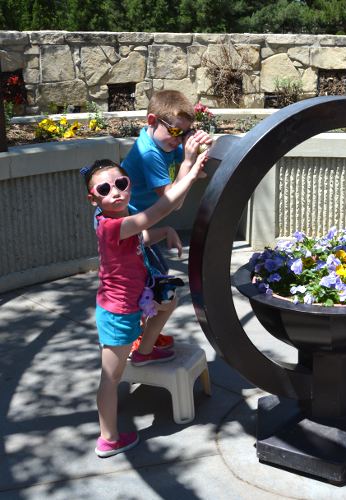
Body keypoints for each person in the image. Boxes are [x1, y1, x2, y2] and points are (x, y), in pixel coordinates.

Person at [83, 153, 207, 458]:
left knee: (169, 300)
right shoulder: (111, 226)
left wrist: (164, 233)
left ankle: (146, 351)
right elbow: (160, 210)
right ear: (93, 199)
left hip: (138, 298)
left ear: (128, 184)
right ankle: (109, 438)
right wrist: (189, 177)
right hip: (118, 313)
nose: (115, 192)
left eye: (121, 184)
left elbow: (140, 236)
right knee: (110, 379)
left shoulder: (116, 221)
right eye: (104, 189)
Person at [121, 90, 212, 351]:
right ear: (152, 121)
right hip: (131, 233)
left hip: (145, 230)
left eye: (184, 133)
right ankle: (140, 346)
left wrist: (205, 146)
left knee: (155, 285)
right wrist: (187, 161)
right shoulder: (149, 154)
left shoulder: (166, 143)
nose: (178, 139)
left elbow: (202, 173)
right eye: (174, 132)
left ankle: (142, 337)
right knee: (155, 290)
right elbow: (174, 202)